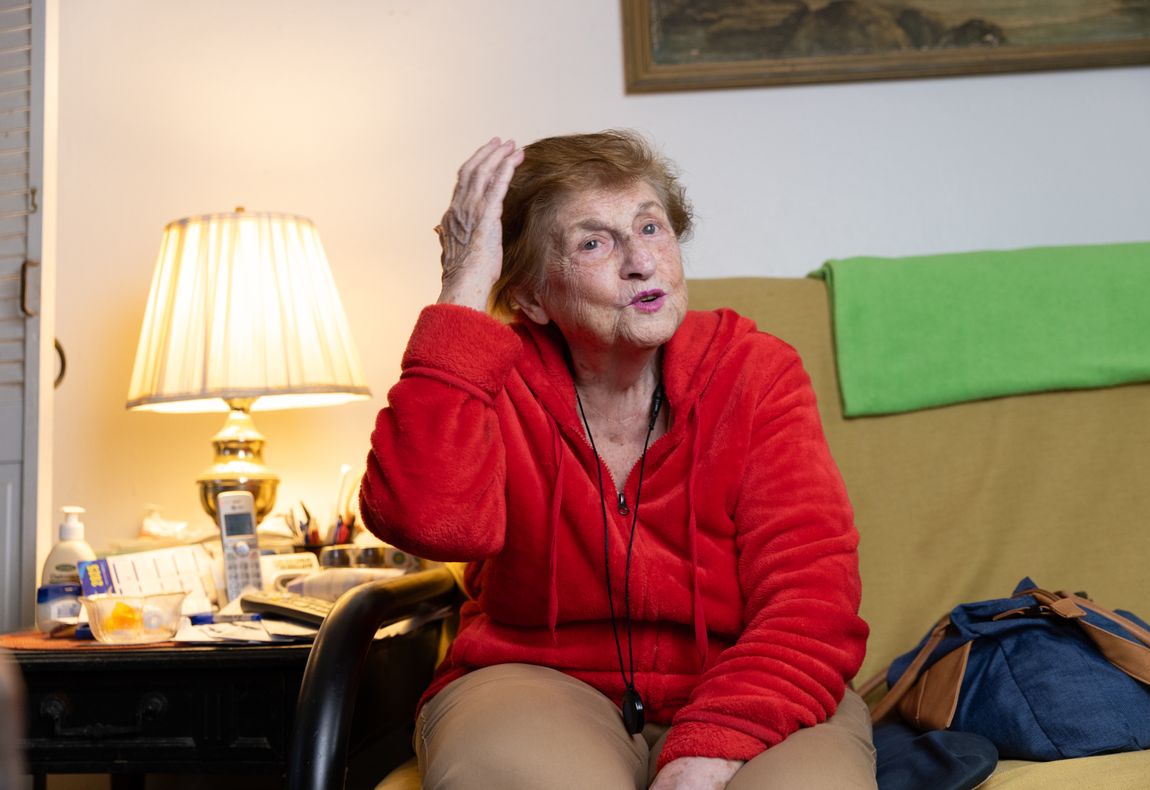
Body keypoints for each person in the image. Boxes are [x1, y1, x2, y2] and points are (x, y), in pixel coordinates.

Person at [360, 131, 874, 789]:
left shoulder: (755, 373)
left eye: (651, 228)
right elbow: (428, 524)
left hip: (752, 678)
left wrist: (707, 752)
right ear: (531, 298)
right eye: (593, 244)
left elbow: (812, 600)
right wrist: (463, 286)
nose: (641, 261)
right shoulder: (492, 380)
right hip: (537, 678)